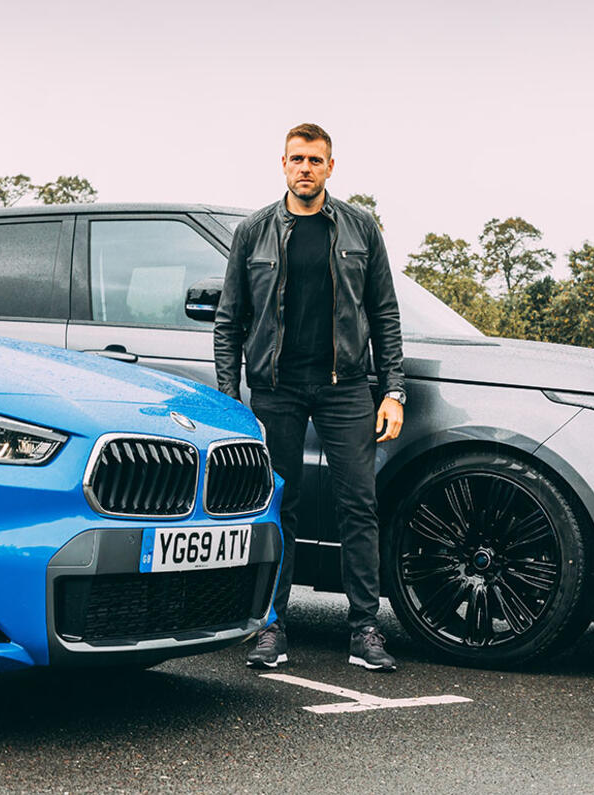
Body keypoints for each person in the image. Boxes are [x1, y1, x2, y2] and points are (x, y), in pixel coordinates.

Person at [214, 122, 407, 672]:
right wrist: (231, 400)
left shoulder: (360, 228)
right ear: (283, 164)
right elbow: (229, 322)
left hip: (347, 388)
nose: (305, 168)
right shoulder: (253, 232)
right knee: (278, 505)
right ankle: (271, 626)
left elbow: (385, 314)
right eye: (297, 159)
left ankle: (365, 629)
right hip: (276, 389)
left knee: (359, 505)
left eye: (315, 160)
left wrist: (392, 390)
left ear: (330, 167)